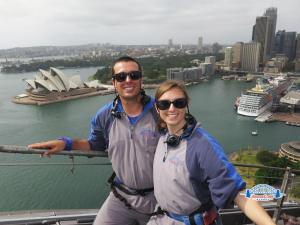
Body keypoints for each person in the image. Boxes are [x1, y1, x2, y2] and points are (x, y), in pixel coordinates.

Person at [29, 56, 160, 225]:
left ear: (141, 79)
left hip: (158, 198)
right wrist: (65, 143)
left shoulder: (160, 111)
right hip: (122, 196)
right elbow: (94, 145)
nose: (128, 80)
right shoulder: (105, 116)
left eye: (134, 75)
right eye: (121, 77)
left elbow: (187, 140)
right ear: (114, 83)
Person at [147, 80, 275, 225]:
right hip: (161, 218)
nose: (171, 108)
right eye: (164, 104)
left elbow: (237, 194)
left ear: (186, 106)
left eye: (179, 103)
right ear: (157, 108)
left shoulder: (202, 145)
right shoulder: (163, 136)